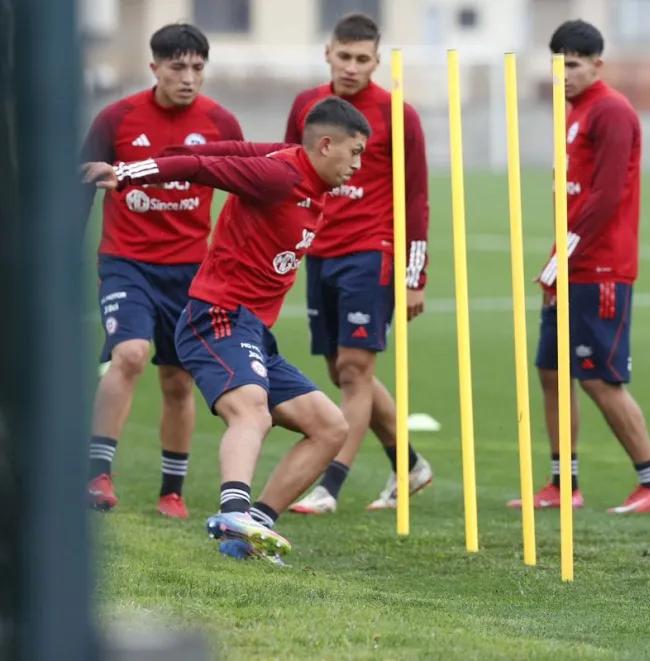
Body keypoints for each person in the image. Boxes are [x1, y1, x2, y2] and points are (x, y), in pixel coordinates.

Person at [83, 97, 370, 560]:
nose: (358, 165)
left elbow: (226, 150)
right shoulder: (279, 176)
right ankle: (233, 511)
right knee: (252, 410)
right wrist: (129, 172)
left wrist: (172, 151)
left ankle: (252, 530)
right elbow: (202, 168)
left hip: (252, 331)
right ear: (325, 145)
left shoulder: (293, 167)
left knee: (331, 427)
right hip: (217, 317)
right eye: (354, 152)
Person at [507, 19, 650, 514]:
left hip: (600, 267)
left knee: (600, 378)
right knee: (551, 371)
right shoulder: (575, 111)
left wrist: (561, 258)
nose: (563, 74)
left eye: (574, 65)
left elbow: (606, 197)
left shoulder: (611, 111)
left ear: (597, 64)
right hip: (571, 262)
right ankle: (563, 483)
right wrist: (557, 259)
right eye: (557, 65)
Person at [81, 23, 243, 519]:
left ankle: (171, 490)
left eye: (197, 67)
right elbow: (81, 183)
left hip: (191, 271)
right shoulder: (116, 119)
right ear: (154, 68)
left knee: (177, 380)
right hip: (126, 262)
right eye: (177, 67)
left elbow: (246, 192)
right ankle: (97, 474)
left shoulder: (221, 123)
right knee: (130, 355)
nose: (188, 77)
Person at [283, 13, 434, 515]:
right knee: (343, 370)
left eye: (362, 59)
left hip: (373, 251)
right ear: (328, 52)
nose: (351, 66)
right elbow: (289, 170)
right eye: (344, 56)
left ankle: (330, 485)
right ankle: (409, 464)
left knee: (354, 368)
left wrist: (414, 276)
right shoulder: (306, 106)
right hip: (318, 250)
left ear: (377, 60)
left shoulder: (399, 115)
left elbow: (417, 198)